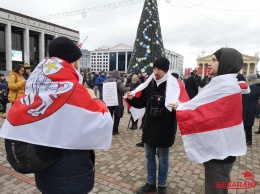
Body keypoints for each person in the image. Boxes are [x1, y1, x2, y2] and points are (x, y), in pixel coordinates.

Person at [0, 36, 113, 194]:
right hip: (71, 173)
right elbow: (103, 122)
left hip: (45, 169)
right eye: (78, 61)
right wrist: (94, 98)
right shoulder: (73, 89)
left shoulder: (38, 85)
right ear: (72, 61)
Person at [171, 48, 246, 194]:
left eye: (214, 60)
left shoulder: (226, 86)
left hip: (221, 152)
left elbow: (208, 115)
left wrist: (181, 109)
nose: (209, 64)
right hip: (217, 147)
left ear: (225, 63)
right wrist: (182, 107)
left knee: (216, 189)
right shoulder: (222, 84)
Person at [127, 57, 179, 194]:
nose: (156, 72)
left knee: (163, 158)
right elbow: (141, 103)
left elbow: (184, 105)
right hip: (149, 128)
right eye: (154, 69)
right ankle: (151, 183)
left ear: (166, 70)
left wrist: (178, 106)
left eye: (159, 69)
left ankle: (161, 185)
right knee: (149, 156)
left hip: (165, 129)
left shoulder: (174, 86)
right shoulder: (149, 84)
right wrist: (131, 100)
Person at [104, 70, 130, 135]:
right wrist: (129, 88)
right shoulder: (118, 81)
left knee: (109, 116)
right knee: (117, 116)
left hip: (108, 101)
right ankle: (115, 130)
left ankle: (108, 130)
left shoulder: (106, 81)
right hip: (116, 102)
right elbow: (123, 89)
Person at [244, 73, 260, 145]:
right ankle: (247, 139)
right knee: (247, 124)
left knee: (248, 124)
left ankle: (249, 140)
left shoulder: (255, 87)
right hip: (249, 106)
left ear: (251, 80)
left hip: (251, 107)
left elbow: (249, 96)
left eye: (248, 79)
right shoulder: (253, 86)